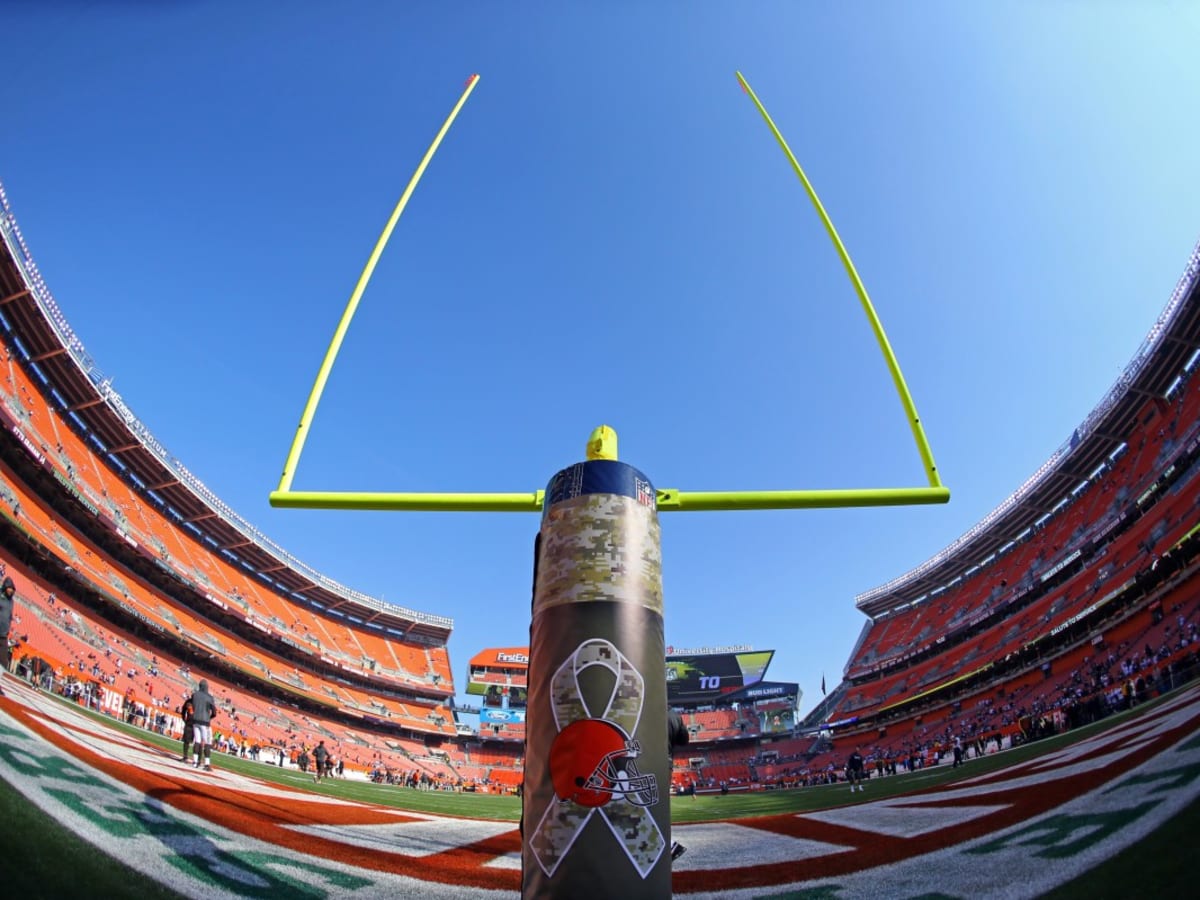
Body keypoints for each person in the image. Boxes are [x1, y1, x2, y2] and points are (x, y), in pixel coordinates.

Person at [668, 708, 689, 862]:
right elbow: (684, 740)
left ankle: (668, 845)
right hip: (665, 763)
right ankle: (669, 845)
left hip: (643, 762)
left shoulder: (644, 708)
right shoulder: (674, 715)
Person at [187, 679, 218, 771]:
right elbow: (214, 711)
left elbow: (190, 705)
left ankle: (195, 762)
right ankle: (207, 764)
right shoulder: (209, 697)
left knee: (197, 741)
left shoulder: (195, 695)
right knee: (207, 743)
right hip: (205, 722)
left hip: (195, 720)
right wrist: (210, 717)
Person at [0, 577, 15, 693]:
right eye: (9, 588)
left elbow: (9, 616)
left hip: (4, 635)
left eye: (12, 589)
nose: (11, 590)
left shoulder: (11, 602)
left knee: (4, 661)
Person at [179, 694, 195, 762]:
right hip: (191, 723)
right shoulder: (189, 702)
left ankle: (195, 758)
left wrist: (184, 719)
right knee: (186, 741)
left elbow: (183, 710)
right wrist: (184, 719)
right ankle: (186, 756)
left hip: (194, 724)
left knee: (195, 742)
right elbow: (183, 710)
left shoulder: (194, 702)